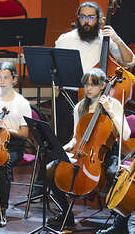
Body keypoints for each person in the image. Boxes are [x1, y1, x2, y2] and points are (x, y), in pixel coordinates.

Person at [46, 68, 130, 231]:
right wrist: (63, 149)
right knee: (51, 170)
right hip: (82, 150)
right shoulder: (80, 107)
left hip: (108, 151)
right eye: (86, 84)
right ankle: (66, 214)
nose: (89, 88)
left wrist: (110, 111)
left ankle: (120, 225)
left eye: (93, 84)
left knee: (116, 175)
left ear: (104, 86)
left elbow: (125, 134)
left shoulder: (114, 104)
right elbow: (76, 138)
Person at [54, 1, 135, 144]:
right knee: (66, 139)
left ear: (99, 19)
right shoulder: (64, 40)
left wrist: (116, 38)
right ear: (77, 18)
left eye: (91, 17)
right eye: (83, 17)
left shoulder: (106, 39)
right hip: (69, 95)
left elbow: (130, 61)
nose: (86, 21)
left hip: (98, 97)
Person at [0, 62, 31, 227]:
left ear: (14, 80)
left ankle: (1, 209)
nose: (2, 81)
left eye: (6, 78)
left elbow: (24, 133)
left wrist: (7, 130)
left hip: (13, 145)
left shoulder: (21, 102)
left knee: (3, 164)